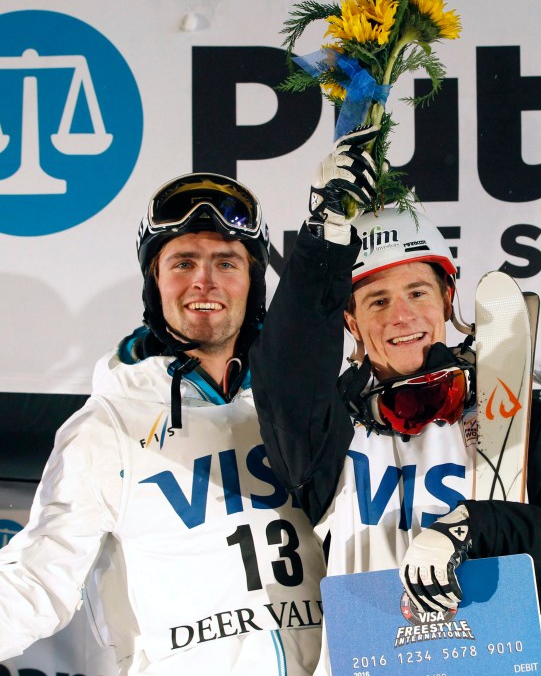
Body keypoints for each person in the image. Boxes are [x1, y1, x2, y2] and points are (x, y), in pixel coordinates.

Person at [250, 129, 541, 670]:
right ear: (351, 324)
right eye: (377, 301)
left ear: (449, 298)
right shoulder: (328, 432)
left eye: (417, 293)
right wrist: (323, 238)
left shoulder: (525, 423)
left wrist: (477, 526)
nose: (401, 317)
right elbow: (285, 372)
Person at [0, 173, 325, 675]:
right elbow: (38, 579)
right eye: (183, 262)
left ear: (254, 281)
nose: (205, 281)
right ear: (155, 282)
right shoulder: (106, 426)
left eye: (226, 262)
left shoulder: (310, 401)